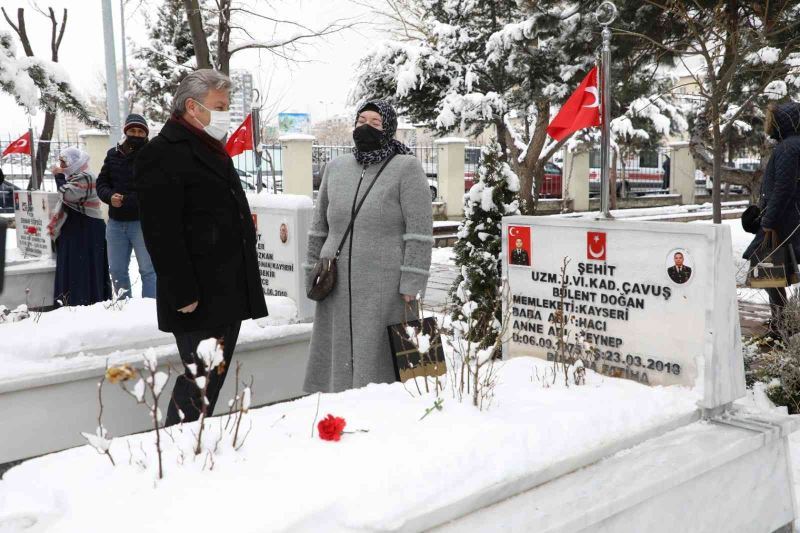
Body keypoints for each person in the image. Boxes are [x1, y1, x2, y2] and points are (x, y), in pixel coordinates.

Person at [134, 69, 268, 426]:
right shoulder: (163, 153)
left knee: (210, 377)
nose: (226, 113)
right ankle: (179, 444)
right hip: (197, 294)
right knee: (201, 378)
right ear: (193, 107)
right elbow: (162, 232)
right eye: (220, 106)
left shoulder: (207, 147)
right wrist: (182, 291)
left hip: (226, 288)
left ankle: (192, 440)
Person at [303, 99, 433, 393]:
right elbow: (318, 226)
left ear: (389, 129)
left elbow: (420, 232)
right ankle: (336, 404)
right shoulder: (335, 168)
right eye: (361, 121)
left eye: (375, 123)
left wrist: (412, 281)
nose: (366, 127)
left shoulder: (406, 168)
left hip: (384, 287)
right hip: (334, 283)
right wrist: (311, 270)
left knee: (382, 363)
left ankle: (384, 416)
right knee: (336, 356)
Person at [744, 101, 800, 336]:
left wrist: (768, 220)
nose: (769, 125)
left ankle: (781, 324)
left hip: (783, 221)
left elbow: (784, 188)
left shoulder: (788, 148)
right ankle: (782, 322)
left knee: (765, 268)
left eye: (772, 120)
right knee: (774, 271)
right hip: (789, 218)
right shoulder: (791, 145)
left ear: (783, 122)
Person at [96, 113, 156, 299]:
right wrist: (109, 196)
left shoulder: (152, 156)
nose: (136, 135)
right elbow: (101, 183)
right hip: (115, 224)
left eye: (140, 132)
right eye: (132, 130)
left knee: (148, 270)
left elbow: (154, 189)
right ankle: (125, 309)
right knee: (116, 270)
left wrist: (126, 200)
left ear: (145, 135)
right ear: (126, 131)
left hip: (142, 223)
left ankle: (149, 311)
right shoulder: (113, 155)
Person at [48, 147, 112, 306]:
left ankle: (86, 301)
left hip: (87, 228)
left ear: (73, 162)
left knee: (84, 268)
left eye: (64, 163)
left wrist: (58, 177)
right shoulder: (73, 177)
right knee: (72, 266)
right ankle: (69, 302)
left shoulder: (86, 176)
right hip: (74, 227)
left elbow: (69, 195)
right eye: (60, 163)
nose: (61, 166)